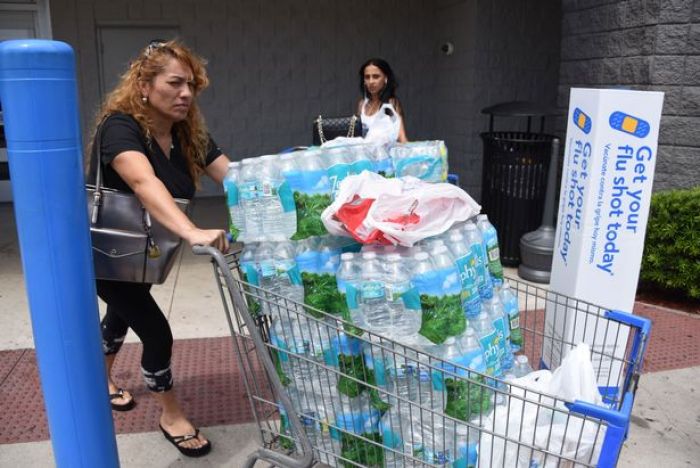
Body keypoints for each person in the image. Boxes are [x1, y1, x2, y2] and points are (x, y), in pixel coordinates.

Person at [87, 39, 229, 458]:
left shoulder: (188, 132)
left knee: (122, 312)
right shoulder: (120, 126)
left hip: (142, 254)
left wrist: (285, 184)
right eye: (175, 83)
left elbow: (233, 175)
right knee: (155, 330)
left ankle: (103, 378)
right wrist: (191, 230)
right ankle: (170, 414)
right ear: (144, 86)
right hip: (106, 252)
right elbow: (143, 183)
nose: (186, 93)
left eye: (191, 85)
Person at [356, 58, 408, 144]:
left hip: (385, 155)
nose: (371, 81)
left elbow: (401, 137)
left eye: (376, 76)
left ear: (385, 78)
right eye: (367, 77)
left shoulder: (391, 103)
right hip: (364, 155)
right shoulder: (362, 105)